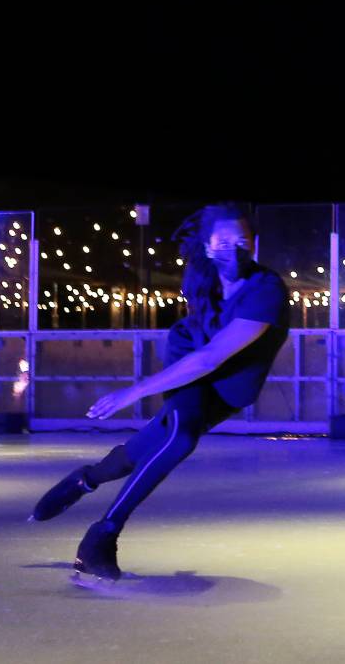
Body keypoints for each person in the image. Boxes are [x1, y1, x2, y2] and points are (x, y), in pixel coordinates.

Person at [29, 202, 291, 583]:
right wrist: (132, 394)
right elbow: (199, 356)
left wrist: (130, 394)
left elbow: (213, 358)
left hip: (226, 385)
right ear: (205, 245)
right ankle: (101, 537)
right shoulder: (202, 278)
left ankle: (83, 479)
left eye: (242, 241)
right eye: (222, 240)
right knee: (180, 439)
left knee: (143, 449)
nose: (233, 249)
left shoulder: (266, 290)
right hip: (193, 363)